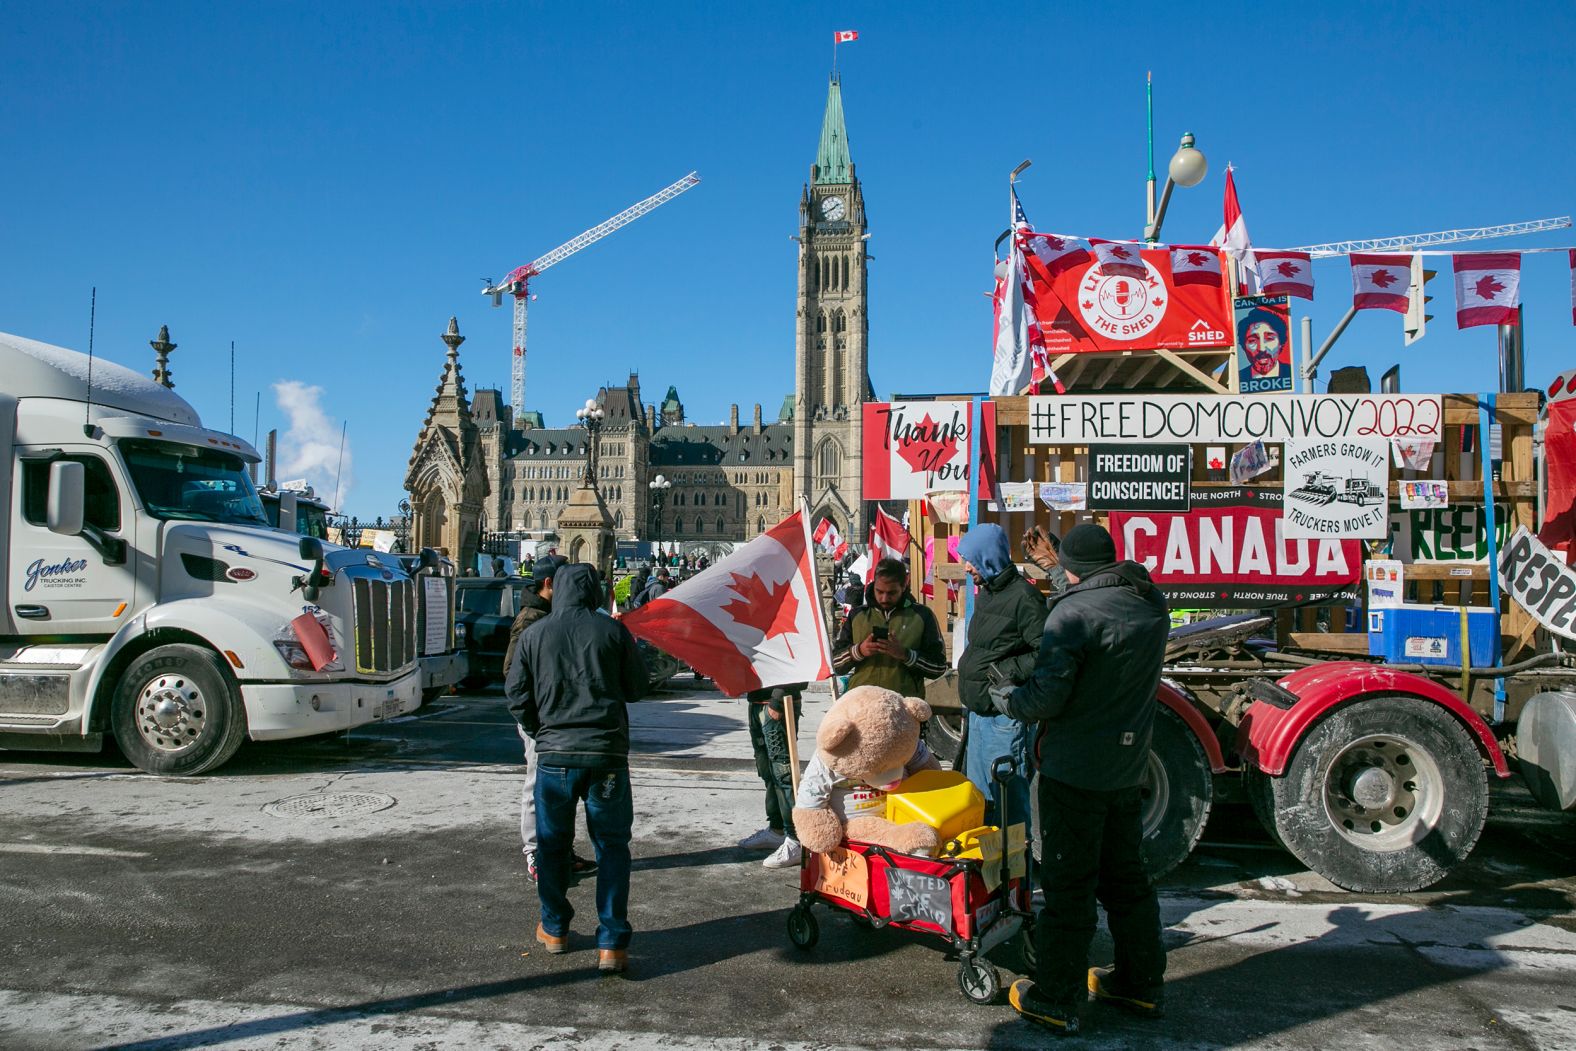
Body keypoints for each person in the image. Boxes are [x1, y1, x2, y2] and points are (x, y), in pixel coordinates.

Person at [994, 523, 1170, 1034]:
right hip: (1126, 766)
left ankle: (1056, 996)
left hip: (1075, 768)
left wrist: (1011, 699)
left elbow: (1049, 696)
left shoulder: (1070, 614)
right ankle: (1140, 985)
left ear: (1074, 569)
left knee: (1069, 886)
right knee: (1127, 881)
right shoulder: (1149, 602)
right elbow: (1097, 604)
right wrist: (1059, 570)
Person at [506, 563, 648, 974]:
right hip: (606, 758)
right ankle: (612, 943)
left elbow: (515, 695)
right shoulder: (613, 632)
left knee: (552, 846)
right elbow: (638, 688)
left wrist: (542, 731)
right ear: (596, 592)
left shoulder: (534, 635)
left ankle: (554, 929)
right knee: (612, 848)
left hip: (555, 759)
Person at [501, 555, 596, 884]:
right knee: (537, 783)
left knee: (558, 789)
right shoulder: (530, 618)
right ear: (549, 584)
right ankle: (535, 853)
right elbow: (513, 676)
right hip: (540, 719)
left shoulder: (550, 614)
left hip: (554, 718)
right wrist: (532, 721)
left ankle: (559, 850)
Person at [955, 525, 1045, 830]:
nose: (967, 567)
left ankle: (1017, 876)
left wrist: (1004, 673)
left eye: (972, 560)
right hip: (981, 717)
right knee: (982, 801)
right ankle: (989, 875)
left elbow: (1046, 651)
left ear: (989, 557)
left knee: (1009, 807)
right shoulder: (989, 593)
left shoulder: (1024, 597)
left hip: (1004, 720)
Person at [831, 558, 947, 698]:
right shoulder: (857, 615)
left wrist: (906, 655)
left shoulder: (922, 616)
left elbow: (938, 668)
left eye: (892, 593)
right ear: (873, 585)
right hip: (861, 705)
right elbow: (834, 664)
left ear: (904, 586)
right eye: (879, 592)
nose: (884, 598)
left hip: (904, 707)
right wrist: (859, 651)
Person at [738, 682, 807, 868]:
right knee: (768, 771)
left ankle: (796, 839)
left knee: (783, 773)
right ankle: (777, 830)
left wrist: (777, 700)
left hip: (778, 702)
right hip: (757, 701)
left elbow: (798, 664)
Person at [1236, 305, 1291, 393]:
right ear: (1243, 346)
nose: (1262, 348)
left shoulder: (1289, 373)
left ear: (1281, 343)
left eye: (1269, 339)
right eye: (1252, 340)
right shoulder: (1236, 378)